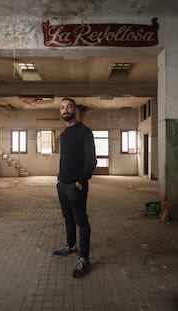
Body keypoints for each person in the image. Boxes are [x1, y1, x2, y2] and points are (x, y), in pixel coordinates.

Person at [53, 97, 97, 278]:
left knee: (81, 221)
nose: (65, 110)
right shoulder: (64, 135)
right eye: (62, 108)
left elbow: (91, 159)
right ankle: (71, 246)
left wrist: (81, 180)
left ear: (75, 109)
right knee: (67, 217)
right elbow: (66, 159)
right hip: (62, 184)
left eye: (69, 107)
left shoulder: (84, 132)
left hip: (76, 185)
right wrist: (59, 179)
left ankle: (84, 259)